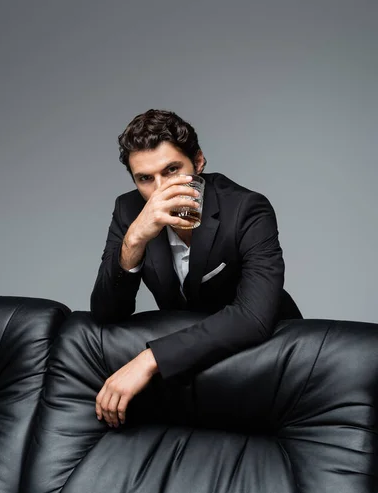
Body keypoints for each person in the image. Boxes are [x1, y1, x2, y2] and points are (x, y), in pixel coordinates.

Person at [91, 109, 302, 428]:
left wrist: (150, 360)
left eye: (172, 170)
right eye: (145, 179)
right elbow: (106, 313)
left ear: (199, 162)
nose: (160, 190)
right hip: (190, 369)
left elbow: (252, 317)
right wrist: (134, 240)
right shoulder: (129, 210)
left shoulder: (247, 209)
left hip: (267, 361)